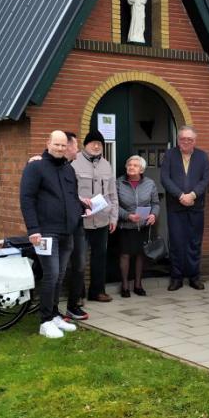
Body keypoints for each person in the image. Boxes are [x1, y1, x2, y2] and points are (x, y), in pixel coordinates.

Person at [20, 131, 86, 339]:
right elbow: (27, 199)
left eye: (63, 145)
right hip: (46, 232)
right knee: (51, 275)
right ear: (48, 143)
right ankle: (45, 321)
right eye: (56, 144)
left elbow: (72, 198)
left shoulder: (68, 169)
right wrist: (33, 229)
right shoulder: (35, 167)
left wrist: (80, 211)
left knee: (59, 275)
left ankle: (55, 314)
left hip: (68, 232)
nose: (60, 148)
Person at [161, 125, 209, 291]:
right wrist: (181, 195)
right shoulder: (169, 155)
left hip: (196, 206)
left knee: (194, 242)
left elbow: (205, 179)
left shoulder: (203, 157)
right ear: (178, 140)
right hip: (176, 206)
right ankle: (176, 278)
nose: (186, 142)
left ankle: (194, 277)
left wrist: (193, 195)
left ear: (194, 141)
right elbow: (165, 179)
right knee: (176, 242)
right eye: (183, 139)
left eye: (189, 139)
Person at [73, 130, 118, 303]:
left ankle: (98, 291)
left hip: (102, 220)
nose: (97, 146)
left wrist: (113, 218)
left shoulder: (107, 165)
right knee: (79, 259)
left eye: (99, 143)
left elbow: (113, 195)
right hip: (81, 221)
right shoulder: (74, 163)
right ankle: (78, 294)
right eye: (93, 143)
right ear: (86, 145)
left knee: (100, 257)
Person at [116, 155, 160, 297]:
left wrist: (154, 214)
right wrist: (127, 216)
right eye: (129, 165)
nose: (131, 167)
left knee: (141, 255)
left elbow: (155, 203)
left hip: (143, 225)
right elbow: (114, 205)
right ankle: (125, 286)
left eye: (135, 165)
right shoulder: (119, 183)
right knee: (125, 254)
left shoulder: (150, 183)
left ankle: (138, 284)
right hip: (126, 225)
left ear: (141, 169)